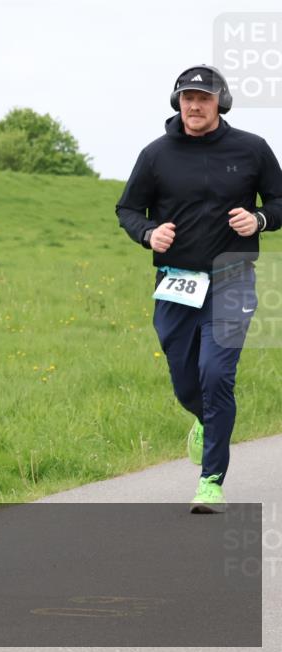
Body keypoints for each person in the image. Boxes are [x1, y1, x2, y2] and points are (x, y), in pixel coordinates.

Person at [116, 64, 282, 513]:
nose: (194, 105)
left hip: (232, 277)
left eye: (203, 98)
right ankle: (205, 421)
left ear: (220, 103)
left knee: (216, 375)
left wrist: (261, 219)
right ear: (178, 103)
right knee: (186, 380)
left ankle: (211, 482)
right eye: (187, 97)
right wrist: (149, 234)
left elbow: (280, 200)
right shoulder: (156, 155)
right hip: (176, 281)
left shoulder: (252, 149)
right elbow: (128, 208)